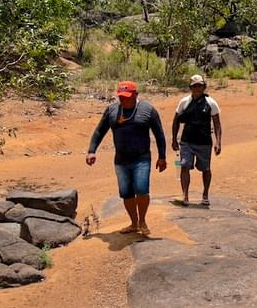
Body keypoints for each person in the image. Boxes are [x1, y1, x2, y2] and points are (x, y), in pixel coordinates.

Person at [86, 81, 167, 236]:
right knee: (126, 192)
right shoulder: (112, 110)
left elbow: (159, 135)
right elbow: (99, 131)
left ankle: (142, 221)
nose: (124, 100)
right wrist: (91, 151)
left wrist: (162, 156)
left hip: (142, 158)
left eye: (127, 97)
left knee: (142, 189)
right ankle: (134, 223)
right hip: (121, 160)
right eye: (121, 97)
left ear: (136, 94)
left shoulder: (148, 110)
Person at [171, 74, 222, 207]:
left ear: (204, 87)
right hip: (187, 141)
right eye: (195, 86)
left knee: (205, 169)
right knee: (184, 165)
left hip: (204, 142)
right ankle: (185, 195)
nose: (197, 88)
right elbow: (176, 121)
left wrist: (218, 142)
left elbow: (217, 123)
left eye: (200, 86)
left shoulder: (210, 102)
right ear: (190, 88)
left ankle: (205, 195)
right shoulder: (184, 102)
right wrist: (174, 139)